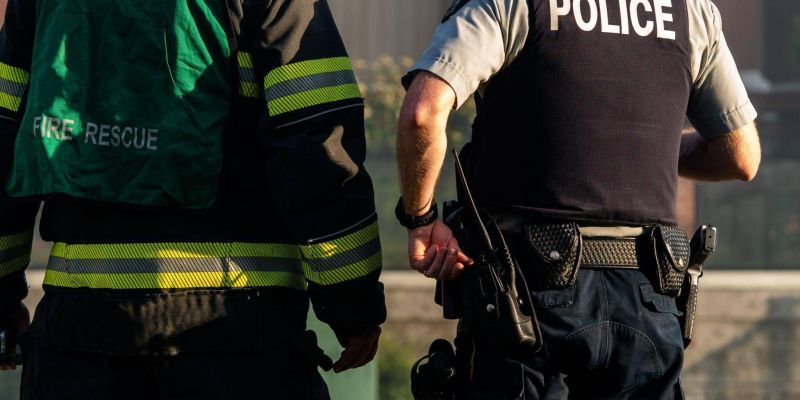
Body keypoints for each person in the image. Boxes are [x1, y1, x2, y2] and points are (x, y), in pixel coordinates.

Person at [0, 0, 385, 398]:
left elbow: (5, 132)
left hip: (77, 336)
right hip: (237, 334)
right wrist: (352, 306)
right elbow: (314, 139)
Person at [396, 0, 761, 398]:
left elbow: (424, 111)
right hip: (648, 294)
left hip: (527, 302)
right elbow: (740, 156)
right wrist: (629, 144)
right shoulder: (689, 11)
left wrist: (422, 219)